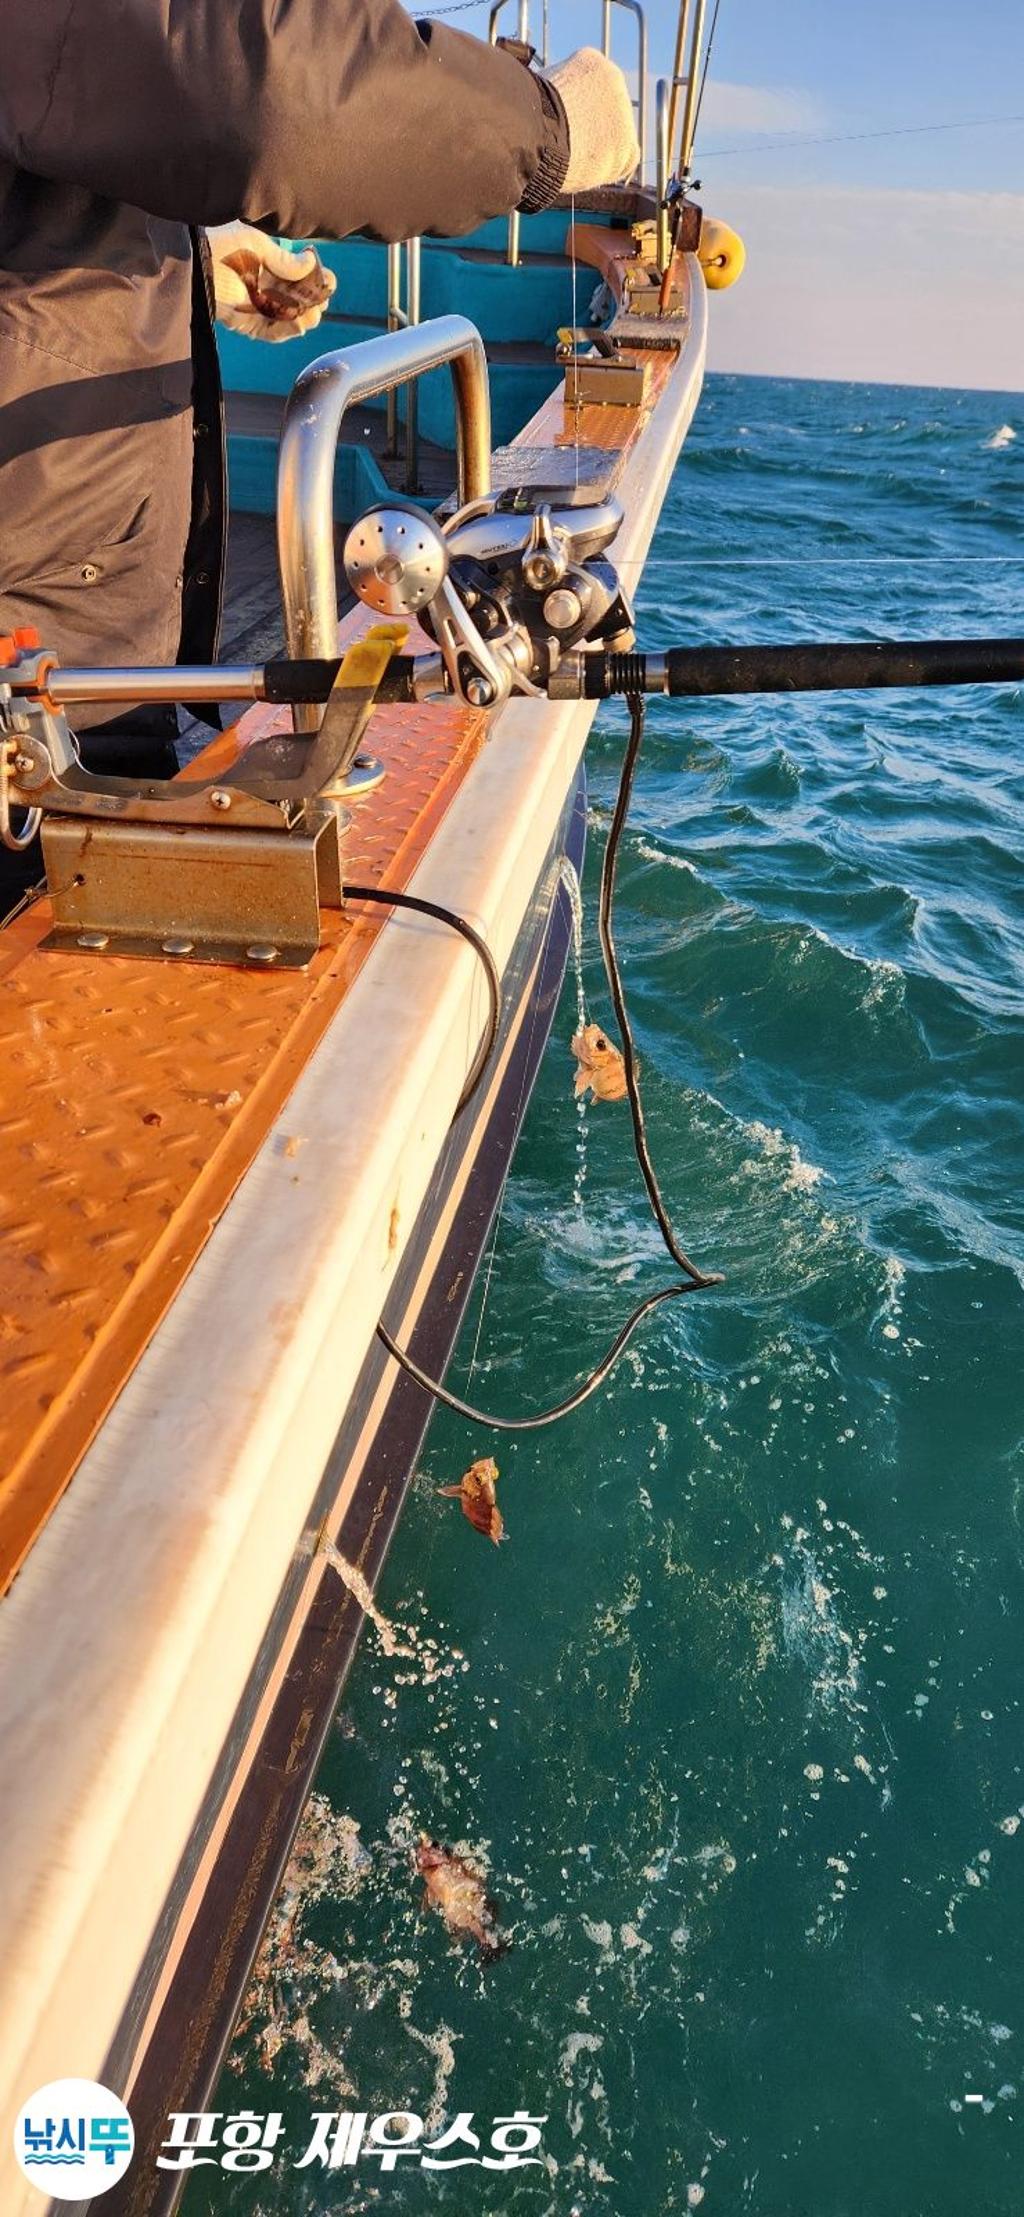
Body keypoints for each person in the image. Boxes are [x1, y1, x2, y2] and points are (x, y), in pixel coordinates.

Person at [0, 4, 639, 778]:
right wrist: (546, 130)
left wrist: (192, 268)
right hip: (40, 666)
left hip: (65, 664)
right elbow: (270, 95)